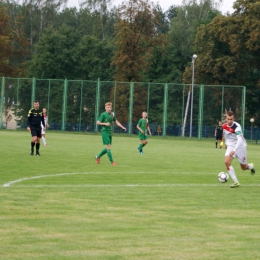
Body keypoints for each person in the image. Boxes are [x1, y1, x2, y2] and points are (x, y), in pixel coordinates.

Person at [222, 111, 255, 188]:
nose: (229, 121)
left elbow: (239, 140)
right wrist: (226, 144)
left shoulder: (237, 126)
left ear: (233, 118)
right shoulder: (224, 126)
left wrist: (234, 149)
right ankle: (236, 182)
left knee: (243, 167)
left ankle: (251, 167)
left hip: (240, 147)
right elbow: (226, 135)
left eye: (231, 119)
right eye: (228, 119)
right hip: (230, 146)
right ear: (226, 118)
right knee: (227, 162)